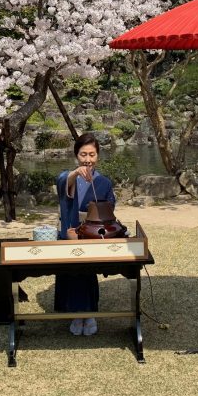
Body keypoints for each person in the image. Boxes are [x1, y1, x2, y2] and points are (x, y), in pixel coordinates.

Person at [54, 133, 116, 336]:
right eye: (83, 154)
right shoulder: (67, 176)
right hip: (70, 232)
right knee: (71, 273)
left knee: (87, 273)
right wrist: (74, 174)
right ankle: (73, 314)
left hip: (93, 234)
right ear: (76, 155)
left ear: (98, 156)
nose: (87, 159)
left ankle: (89, 314)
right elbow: (64, 183)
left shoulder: (104, 183)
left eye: (92, 154)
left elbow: (109, 210)